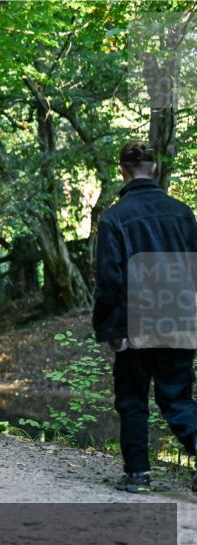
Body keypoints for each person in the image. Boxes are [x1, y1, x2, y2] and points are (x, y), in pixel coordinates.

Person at [93, 140, 197, 492]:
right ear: (154, 168)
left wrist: (105, 325)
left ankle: (138, 475)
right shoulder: (183, 214)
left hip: (133, 323)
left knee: (132, 399)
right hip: (179, 320)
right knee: (178, 399)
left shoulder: (114, 218)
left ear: (122, 170)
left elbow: (109, 280)